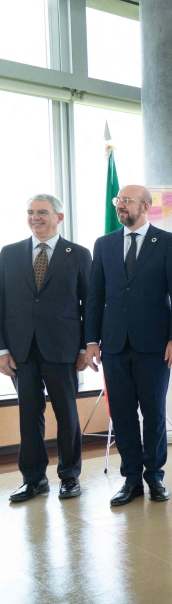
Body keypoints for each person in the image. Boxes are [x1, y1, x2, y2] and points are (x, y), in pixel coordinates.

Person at [85, 184, 172, 506]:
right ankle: (130, 480)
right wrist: (90, 341)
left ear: (146, 205)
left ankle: (154, 477)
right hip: (114, 345)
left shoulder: (167, 242)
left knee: (154, 413)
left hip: (155, 346)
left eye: (126, 201)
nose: (120, 206)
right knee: (124, 415)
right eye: (118, 201)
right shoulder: (104, 244)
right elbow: (94, 297)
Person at [1, 194, 91, 502]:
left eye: (42, 212)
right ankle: (34, 478)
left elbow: (89, 304)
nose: (35, 217)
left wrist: (84, 347)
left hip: (63, 348)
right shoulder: (9, 254)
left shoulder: (78, 254)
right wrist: (1, 350)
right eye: (30, 212)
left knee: (66, 413)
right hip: (20, 351)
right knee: (28, 414)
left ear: (59, 217)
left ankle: (69, 476)